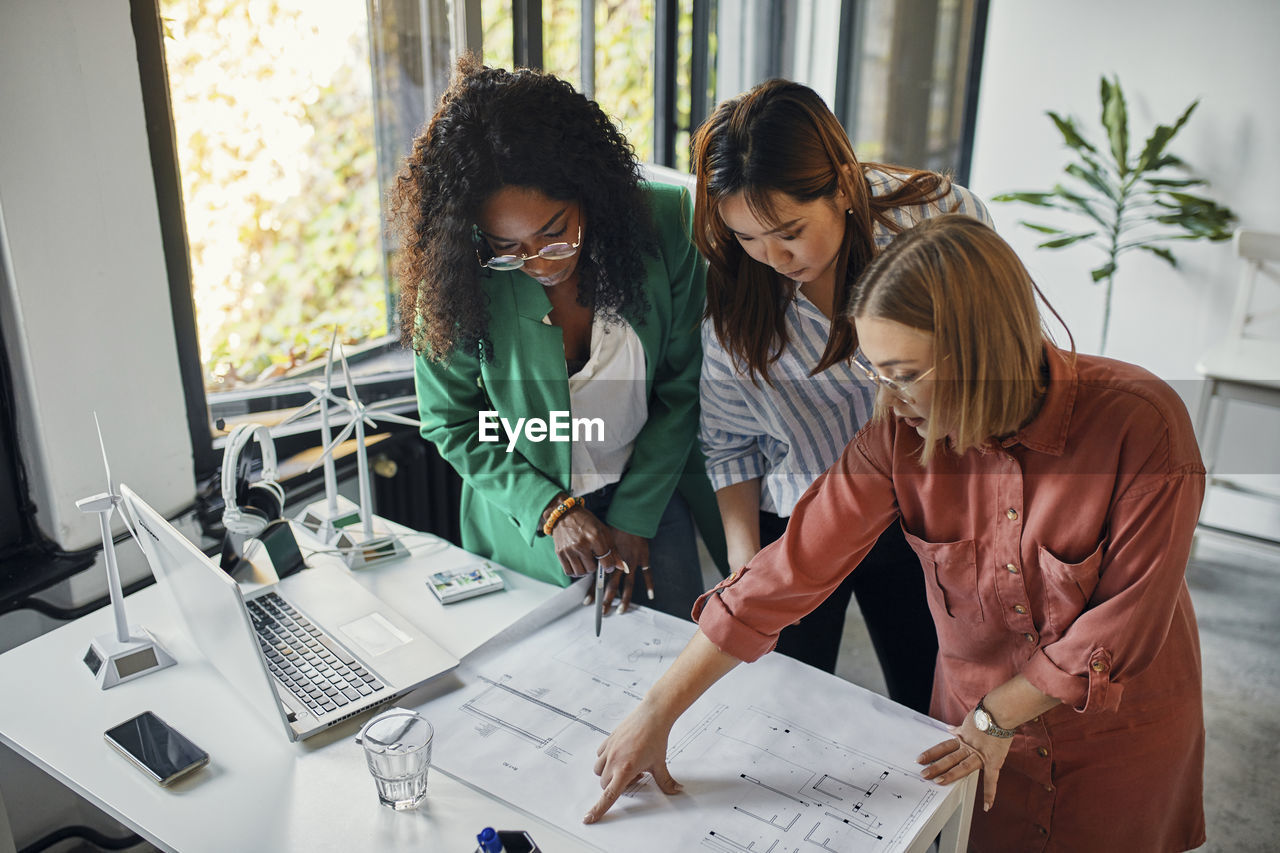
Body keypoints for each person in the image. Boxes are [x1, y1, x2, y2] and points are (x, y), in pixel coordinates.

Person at [586, 215, 1206, 852]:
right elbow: (789, 570)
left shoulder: (1143, 421)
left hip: (1110, 740)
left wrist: (1000, 715)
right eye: (875, 371)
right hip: (966, 734)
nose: (888, 397)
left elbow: (1124, 624)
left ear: (983, 355)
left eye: (905, 373)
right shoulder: (897, 438)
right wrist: (657, 711)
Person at [390, 56, 726, 619]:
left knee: (673, 659)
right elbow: (451, 422)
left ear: (590, 192)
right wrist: (551, 510)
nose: (538, 263)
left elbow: (683, 387)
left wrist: (635, 517)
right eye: (507, 247)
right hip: (529, 517)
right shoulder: (455, 281)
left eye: (555, 233)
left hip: (649, 490)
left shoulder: (666, 226)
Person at [692, 78, 991, 707]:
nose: (771, 256)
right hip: (802, 513)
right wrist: (745, 561)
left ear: (841, 184)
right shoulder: (737, 289)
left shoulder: (939, 219)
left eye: (790, 231)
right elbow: (728, 441)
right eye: (747, 236)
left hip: (930, 512)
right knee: (784, 703)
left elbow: (1002, 355)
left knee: (931, 695)